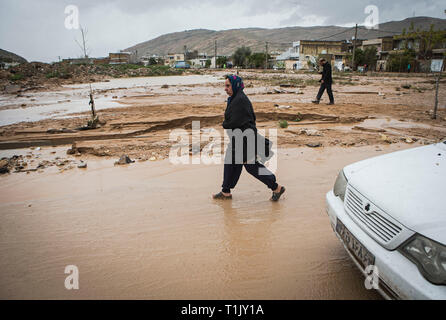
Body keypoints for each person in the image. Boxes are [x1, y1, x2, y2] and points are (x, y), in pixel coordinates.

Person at [213, 75, 286, 201]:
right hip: (239, 138)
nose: (225, 89)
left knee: (251, 166)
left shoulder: (239, 100)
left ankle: (276, 187)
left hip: (245, 140)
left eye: (228, 86)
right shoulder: (235, 98)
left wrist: (224, 122)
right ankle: (225, 191)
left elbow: (232, 122)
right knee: (230, 163)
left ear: (235, 85)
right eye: (225, 85)